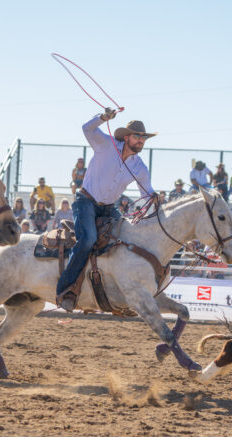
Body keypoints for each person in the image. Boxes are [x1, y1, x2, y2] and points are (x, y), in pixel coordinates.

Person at [57, 109, 155, 314]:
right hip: (86, 202)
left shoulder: (139, 167)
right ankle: (66, 290)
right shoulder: (106, 144)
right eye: (138, 136)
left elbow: (147, 194)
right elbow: (87, 129)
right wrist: (103, 118)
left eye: (144, 138)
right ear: (126, 137)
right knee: (87, 240)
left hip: (109, 208)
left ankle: (121, 297)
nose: (141, 141)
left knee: (127, 240)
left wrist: (155, 199)